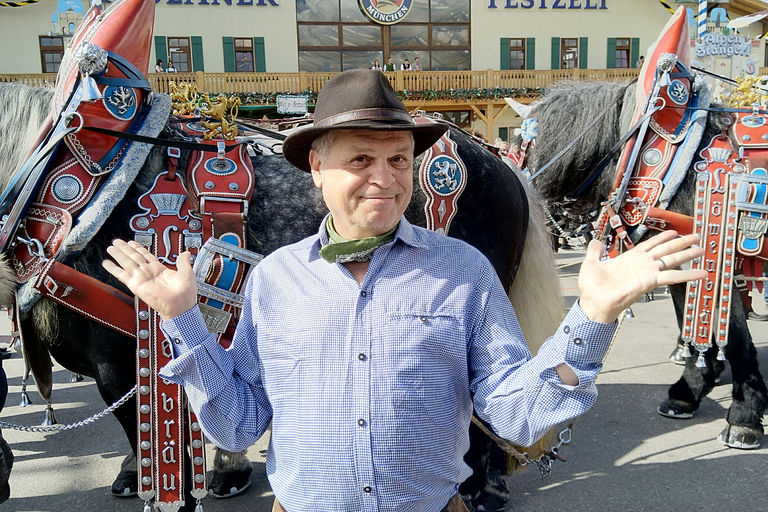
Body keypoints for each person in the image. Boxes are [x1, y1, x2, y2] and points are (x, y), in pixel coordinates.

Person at [103, 69, 705, 512]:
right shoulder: (276, 278)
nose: (386, 180)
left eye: (399, 159)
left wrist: (593, 317)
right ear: (316, 166)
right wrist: (183, 316)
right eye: (361, 159)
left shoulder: (462, 271)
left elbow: (518, 415)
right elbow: (237, 427)